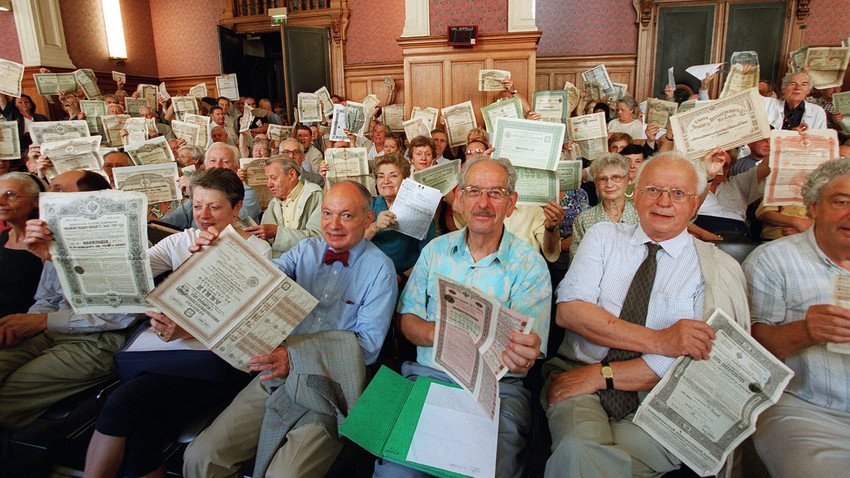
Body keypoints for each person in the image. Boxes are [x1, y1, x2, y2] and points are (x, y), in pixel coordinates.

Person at [542, 151, 749, 477]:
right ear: (635, 196)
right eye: (652, 190)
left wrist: (601, 375)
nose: (664, 201)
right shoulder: (602, 237)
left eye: (678, 193)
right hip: (578, 379)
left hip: (663, 395)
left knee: (584, 461)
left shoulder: (713, 269)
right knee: (578, 449)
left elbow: (696, 357)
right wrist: (661, 340)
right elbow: (571, 312)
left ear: (694, 206)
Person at [183, 181, 398, 477]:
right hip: (277, 374)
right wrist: (217, 256)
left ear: (368, 219)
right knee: (201, 456)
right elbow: (261, 282)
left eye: (346, 216)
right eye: (326, 213)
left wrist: (295, 356)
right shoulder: (305, 249)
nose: (333, 225)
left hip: (333, 387)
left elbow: (368, 347)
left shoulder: (380, 269)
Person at [373, 157, 551, 478]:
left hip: (497, 392)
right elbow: (406, 320)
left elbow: (529, 353)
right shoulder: (434, 252)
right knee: (395, 474)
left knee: (483, 472)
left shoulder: (530, 265)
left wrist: (524, 356)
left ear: (511, 204)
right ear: (459, 200)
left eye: (496, 193)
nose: (483, 203)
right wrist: (444, 334)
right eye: (473, 191)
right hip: (428, 379)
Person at [82, 168, 263, 478]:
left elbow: (244, 322)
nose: (203, 215)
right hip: (169, 355)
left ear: (236, 209)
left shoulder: (257, 249)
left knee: (124, 401)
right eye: (196, 205)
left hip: (215, 362)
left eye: (214, 207)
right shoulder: (182, 240)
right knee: (139, 418)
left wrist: (188, 326)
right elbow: (128, 272)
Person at [0, 170, 142, 429]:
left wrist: (42, 322)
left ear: (89, 200)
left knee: (9, 395)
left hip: (94, 341)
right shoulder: (56, 236)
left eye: (58, 191)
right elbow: (47, 297)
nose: (49, 197)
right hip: (46, 330)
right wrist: (23, 324)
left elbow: (120, 314)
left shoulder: (121, 239)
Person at [743, 157, 850, 476]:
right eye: (841, 201)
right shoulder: (772, 261)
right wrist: (806, 332)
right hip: (806, 412)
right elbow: (750, 355)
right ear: (813, 207)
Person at [365, 153, 436, 282]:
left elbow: (429, 256)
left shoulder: (421, 209)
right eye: (381, 176)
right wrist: (374, 227)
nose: (386, 181)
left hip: (406, 279)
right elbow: (352, 244)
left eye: (393, 175)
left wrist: (402, 278)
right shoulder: (369, 206)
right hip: (368, 276)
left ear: (406, 180)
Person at [161, 142, 260, 230]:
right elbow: (172, 220)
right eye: (212, 161)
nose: (217, 166)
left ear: (235, 168)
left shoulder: (247, 193)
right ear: (205, 166)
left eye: (225, 162)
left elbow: (230, 223)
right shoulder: (199, 191)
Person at [244, 156, 322, 258]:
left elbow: (318, 240)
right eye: (267, 179)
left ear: (292, 175)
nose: (268, 184)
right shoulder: (273, 203)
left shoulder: (314, 195)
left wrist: (277, 233)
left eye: (274, 178)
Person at [570, 153, 640, 259]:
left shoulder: (641, 215)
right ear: (596, 183)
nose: (609, 184)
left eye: (616, 177)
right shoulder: (583, 219)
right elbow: (577, 263)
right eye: (603, 179)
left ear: (626, 180)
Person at [0, 172, 44, 318]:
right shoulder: (4, 236)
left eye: (10, 195)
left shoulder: (47, 242)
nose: (0, 201)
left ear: (36, 201)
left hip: (26, 324)